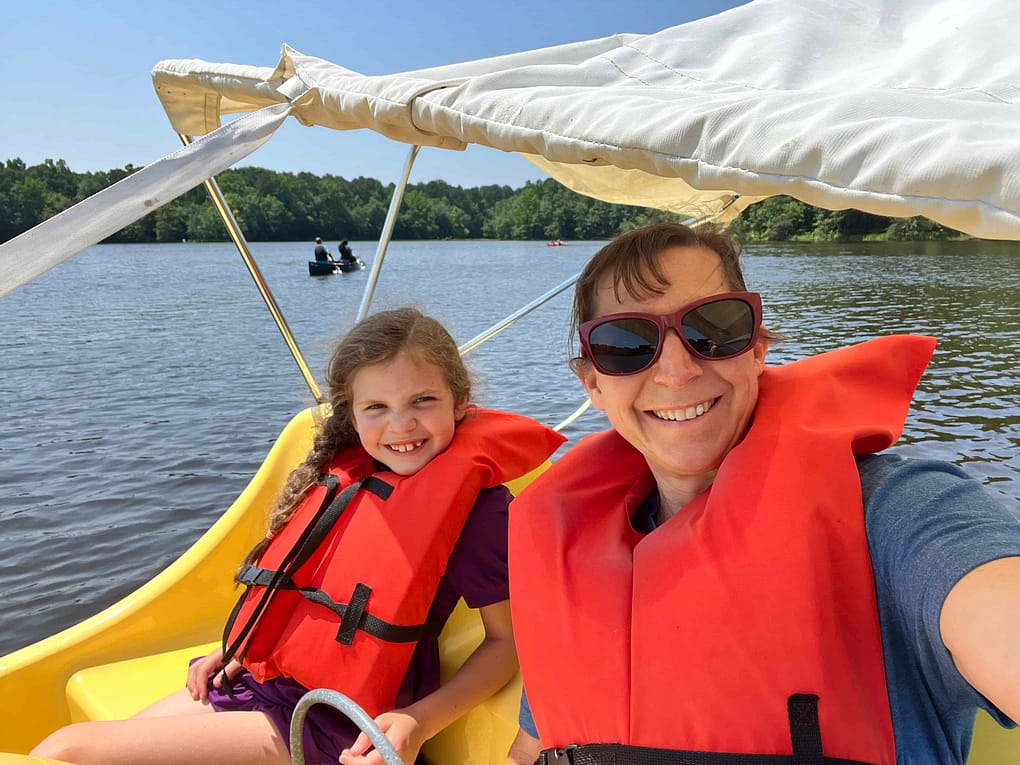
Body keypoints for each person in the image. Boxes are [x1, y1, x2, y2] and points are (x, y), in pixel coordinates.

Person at [505, 222, 1020, 765]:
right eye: (627, 344)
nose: (677, 372)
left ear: (756, 348)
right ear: (592, 384)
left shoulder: (896, 511)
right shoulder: (568, 561)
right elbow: (531, 748)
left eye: (715, 326)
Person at [31, 307, 563, 765]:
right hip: (264, 681)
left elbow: (506, 644)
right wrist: (243, 647)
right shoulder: (349, 477)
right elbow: (305, 592)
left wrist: (416, 721)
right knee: (81, 744)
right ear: (352, 416)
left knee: (66, 751)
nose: (402, 426)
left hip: (335, 721)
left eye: (423, 400)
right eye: (377, 407)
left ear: (460, 400)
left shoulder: (479, 511)